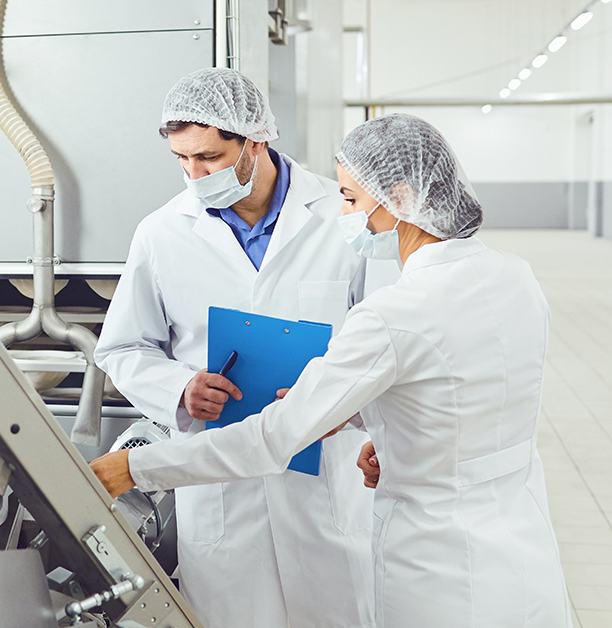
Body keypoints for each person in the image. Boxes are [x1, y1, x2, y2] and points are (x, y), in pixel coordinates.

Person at [92, 113, 572, 628]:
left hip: (436, 564)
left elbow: (272, 439)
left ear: (402, 198)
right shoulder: (514, 276)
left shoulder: (393, 315)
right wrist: (389, 429)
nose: (342, 215)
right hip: (520, 545)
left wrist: (134, 468)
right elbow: (461, 386)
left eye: (350, 200)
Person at [94, 68, 380, 628]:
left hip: (322, 471)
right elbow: (123, 346)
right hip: (221, 478)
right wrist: (179, 387)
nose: (194, 176)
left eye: (209, 158)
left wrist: (339, 397)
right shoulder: (162, 232)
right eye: (182, 160)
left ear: (255, 142)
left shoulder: (343, 218)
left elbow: (384, 336)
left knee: (336, 612)